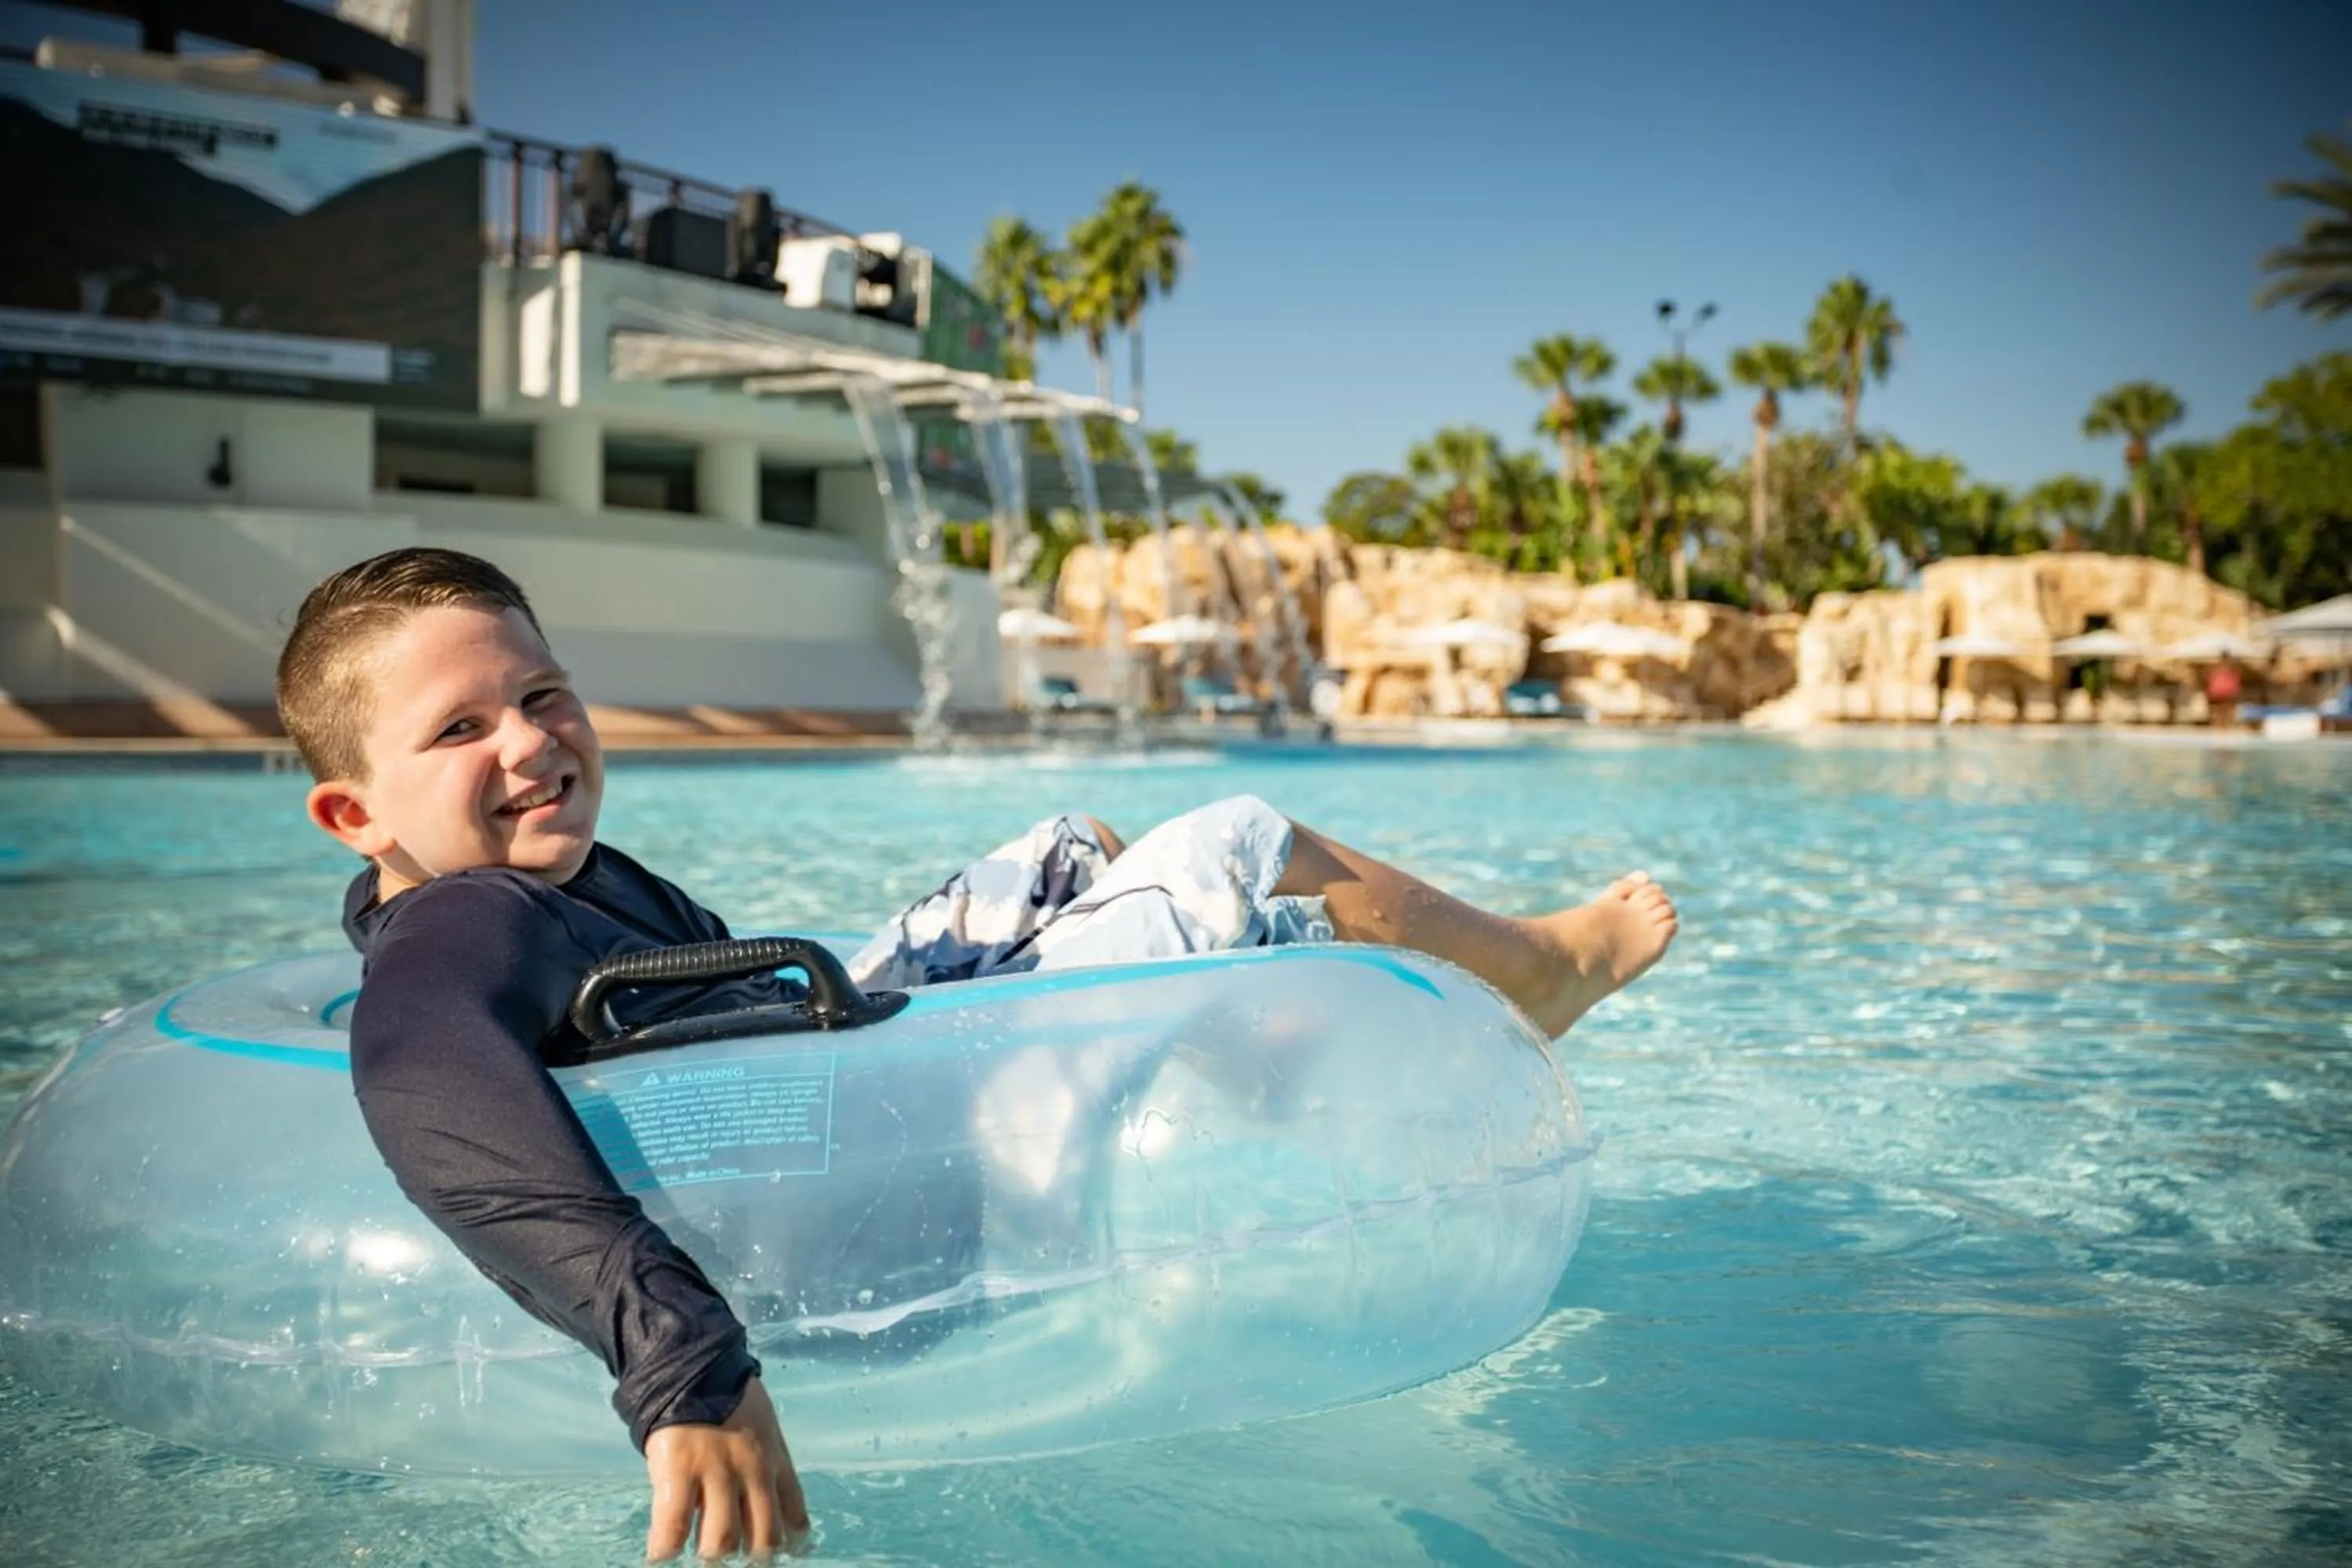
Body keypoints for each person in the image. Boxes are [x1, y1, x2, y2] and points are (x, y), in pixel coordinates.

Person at [278, 547, 1677, 1560]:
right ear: (355, 812)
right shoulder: (459, 924)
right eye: (461, 728)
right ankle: (1549, 971)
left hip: (839, 1075)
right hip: (907, 1207)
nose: (530, 741)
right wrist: (683, 1359)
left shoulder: (539, 886)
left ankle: (1222, 1041)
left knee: (1071, 851)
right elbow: (421, 1071)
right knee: (1237, 844)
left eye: (542, 693)